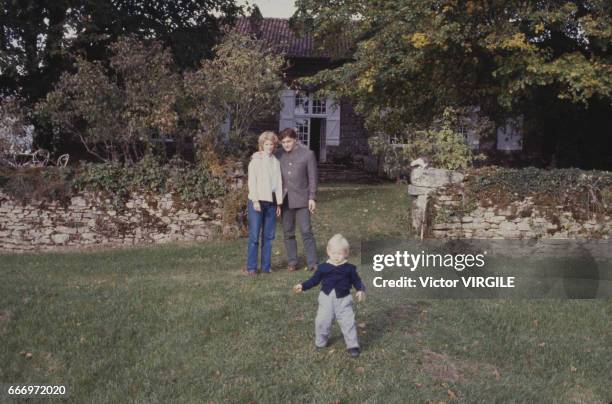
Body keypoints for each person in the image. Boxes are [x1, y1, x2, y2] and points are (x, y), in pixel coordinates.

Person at [293, 234, 366, 357]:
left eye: (339, 253)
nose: (336, 256)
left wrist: (360, 290)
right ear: (328, 251)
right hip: (326, 299)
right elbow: (314, 280)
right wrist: (303, 286)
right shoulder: (323, 268)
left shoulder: (350, 269)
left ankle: (352, 345)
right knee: (322, 321)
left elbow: (357, 281)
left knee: (348, 322)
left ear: (346, 253)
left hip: (344, 300)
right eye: (333, 253)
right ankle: (321, 342)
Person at [277, 128, 318, 272]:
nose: (286, 144)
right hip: (285, 199)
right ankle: (292, 262)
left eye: (289, 141)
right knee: (288, 232)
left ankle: (312, 262)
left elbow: (313, 178)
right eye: (283, 142)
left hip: (302, 198)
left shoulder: (308, 154)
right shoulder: (278, 155)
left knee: (306, 231)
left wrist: (312, 197)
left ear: (295, 140)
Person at [245, 131, 283, 275]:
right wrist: (255, 200)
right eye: (266, 144)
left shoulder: (276, 162)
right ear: (262, 145)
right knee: (254, 236)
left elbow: (278, 183)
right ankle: (252, 267)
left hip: (271, 203)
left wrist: (279, 203)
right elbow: (252, 182)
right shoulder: (255, 161)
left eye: (271, 144)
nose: (269, 147)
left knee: (268, 236)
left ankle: (266, 267)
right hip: (257, 202)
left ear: (274, 146)